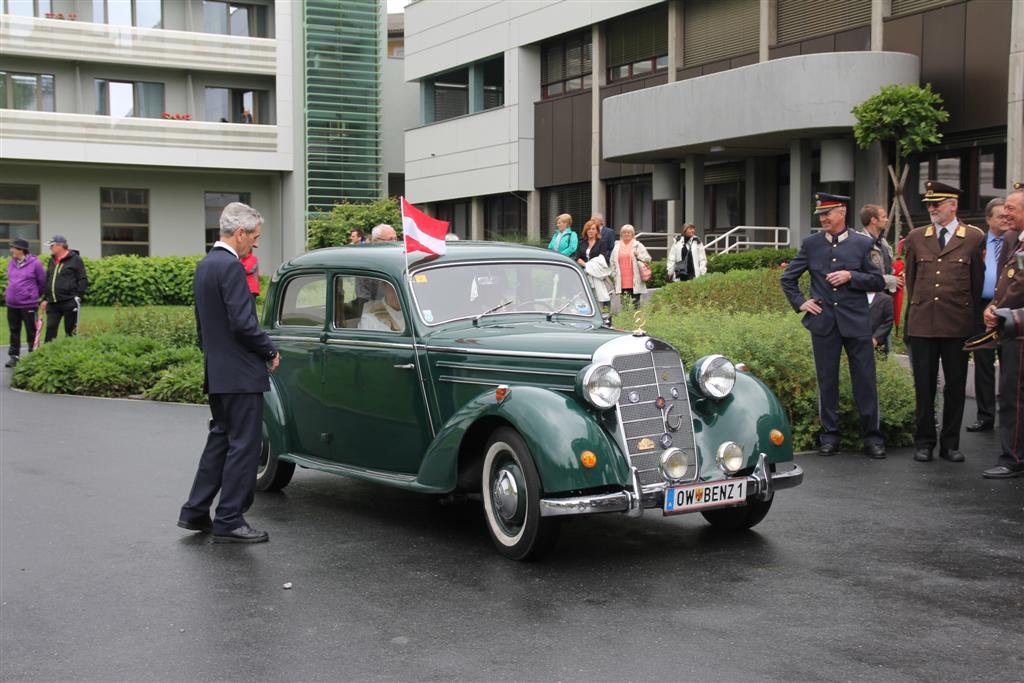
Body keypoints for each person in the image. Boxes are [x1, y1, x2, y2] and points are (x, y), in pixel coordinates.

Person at [178, 202, 279, 543]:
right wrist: (269, 350)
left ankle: (195, 510)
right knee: (244, 446)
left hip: (218, 371)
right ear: (240, 233)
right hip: (240, 373)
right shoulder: (232, 268)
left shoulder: (205, 266)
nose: (256, 243)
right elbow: (243, 323)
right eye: (255, 237)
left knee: (220, 441)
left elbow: (202, 326)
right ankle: (230, 519)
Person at [780, 192, 886, 458]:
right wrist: (801, 303)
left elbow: (878, 281)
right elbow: (788, 279)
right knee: (827, 381)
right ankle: (830, 436)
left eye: (828, 213)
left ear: (843, 212)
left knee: (865, 380)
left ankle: (872, 438)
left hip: (856, 322)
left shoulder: (863, 244)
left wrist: (851, 276)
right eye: (821, 215)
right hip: (824, 323)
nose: (824, 218)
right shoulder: (812, 244)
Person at [903, 181, 986, 463]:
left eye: (937, 204)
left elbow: (976, 284)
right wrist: (909, 322)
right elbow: (911, 282)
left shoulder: (973, 237)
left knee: (955, 386)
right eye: (929, 204)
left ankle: (950, 444)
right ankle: (924, 442)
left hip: (956, 324)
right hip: (923, 323)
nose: (932, 209)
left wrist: (974, 325)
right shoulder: (916, 237)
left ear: (953, 205)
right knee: (924, 387)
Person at [980, 183, 1024, 479]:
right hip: (1011, 324)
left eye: (1010, 208)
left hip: (1018, 328)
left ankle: (1013, 458)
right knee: (1010, 394)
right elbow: (1008, 281)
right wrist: (995, 304)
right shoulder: (1014, 240)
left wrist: (998, 309)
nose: (1004, 212)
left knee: (1013, 395)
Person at [967, 197, 1015, 433]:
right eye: (1000, 216)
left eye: (1008, 215)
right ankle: (985, 415)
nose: (1006, 219)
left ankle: (1009, 414)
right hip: (981, 308)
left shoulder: (1015, 242)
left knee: (1010, 360)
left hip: (1009, 308)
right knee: (983, 361)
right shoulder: (977, 243)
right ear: (988, 219)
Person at [4, 238, 46, 368]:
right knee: (14, 330)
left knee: (31, 331)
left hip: (28, 304)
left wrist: (32, 295)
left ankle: (34, 355)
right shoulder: (12, 262)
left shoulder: (35, 264)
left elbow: (43, 282)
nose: (11, 250)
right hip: (12, 304)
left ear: (21, 250)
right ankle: (14, 356)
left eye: (14, 248)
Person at [41, 234, 88, 343]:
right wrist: (45, 298)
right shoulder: (52, 260)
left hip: (69, 301)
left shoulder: (75, 259)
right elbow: (49, 280)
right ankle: (48, 355)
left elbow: (82, 279)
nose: (50, 248)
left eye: (52, 246)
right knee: (50, 329)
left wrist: (78, 296)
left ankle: (70, 355)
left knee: (70, 331)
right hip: (53, 302)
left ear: (60, 246)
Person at [858, 204, 903, 295]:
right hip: (869, 298)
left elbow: (888, 268)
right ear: (874, 220)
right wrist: (889, 280)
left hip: (885, 296)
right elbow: (860, 274)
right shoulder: (859, 243)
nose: (887, 220)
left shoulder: (883, 242)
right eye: (884, 217)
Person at [610, 224, 652, 307]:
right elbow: (612, 263)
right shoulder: (617, 246)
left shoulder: (638, 245)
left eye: (629, 233)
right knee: (624, 305)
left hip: (635, 280)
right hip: (621, 281)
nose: (626, 234)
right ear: (621, 234)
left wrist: (638, 255)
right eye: (624, 232)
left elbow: (648, 259)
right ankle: (626, 320)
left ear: (633, 235)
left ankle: (636, 320)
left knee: (635, 305)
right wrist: (614, 275)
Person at [575, 220, 612, 311]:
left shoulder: (601, 242)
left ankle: (606, 316)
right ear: (585, 231)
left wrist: (589, 266)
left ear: (597, 231)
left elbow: (602, 258)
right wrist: (586, 265)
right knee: (586, 295)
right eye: (588, 229)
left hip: (597, 274)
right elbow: (577, 257)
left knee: (602, 295)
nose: (590, 231)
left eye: (593, 229)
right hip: (584, 273)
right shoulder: (581, 243)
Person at [868, 290, 894, 356]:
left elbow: (888, 321)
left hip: (878, 343)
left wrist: (876, 338)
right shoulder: (856, 297)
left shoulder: (886, 299)